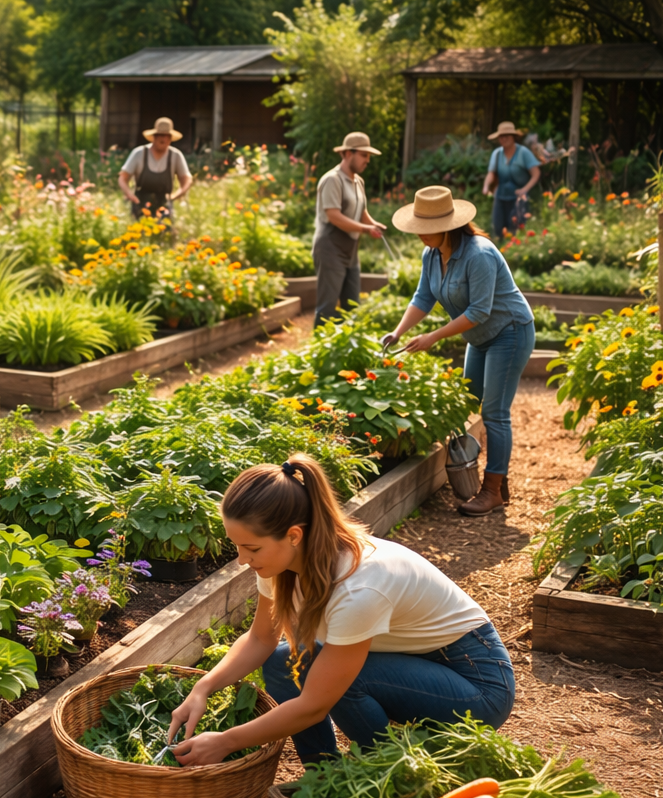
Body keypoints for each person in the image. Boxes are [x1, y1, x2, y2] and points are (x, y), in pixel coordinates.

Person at [168, 456, 515, 767]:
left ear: (293, 535)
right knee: (280, 662)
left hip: (476, 684)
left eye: (251, 548)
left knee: (338, 681)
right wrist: (203, 687)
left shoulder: (358, 586)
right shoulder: (281, 563)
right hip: (410, 663)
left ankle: (383, 773)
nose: (243, 560)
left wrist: (226, 742)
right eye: (237, 546)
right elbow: (261, 639)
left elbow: (315, 704)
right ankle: (323, 774)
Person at [380, 185, 536, 516]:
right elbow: (423, 297)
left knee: (494, 411)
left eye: (427, 228)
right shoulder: (432, 255)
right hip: (479, 338)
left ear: (447, 226)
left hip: (509, 332)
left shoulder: (479, 254)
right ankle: (498, 481)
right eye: (418, 228)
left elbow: (479, 311)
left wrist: (432, 337)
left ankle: (492, 489)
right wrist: (398, 331)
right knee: (466, 402)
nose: (420, 235)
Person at [312, 132, 386, 326]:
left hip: (351, 251)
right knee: (327, 308)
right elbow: (334, 216)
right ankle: (319, 343)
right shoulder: (332, 180)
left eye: (369, 156)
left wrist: (373, 225)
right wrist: (366, 229)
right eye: (364, 155)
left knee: (352, 306)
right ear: (347, 154)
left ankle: (349, 343)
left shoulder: (358, 182)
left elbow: (362, 212)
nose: (367, 160)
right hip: (330, 249)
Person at [118, 117, 194, 221]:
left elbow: (187, 179)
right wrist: (129, 195)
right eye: (160, 135)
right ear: (154, 136)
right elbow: (123, 177)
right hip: (141, 202)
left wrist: (176, 195)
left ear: (170, 139)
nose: (163, 139)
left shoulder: (175, 155)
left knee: (164, 229)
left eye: (167, 136)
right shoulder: (139, 153)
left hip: (164, 203)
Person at [482, 121, 541, 238]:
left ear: (513, 137)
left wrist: (524, 189)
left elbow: (536, 173)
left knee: (516, 230)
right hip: (500, 196)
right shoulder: (497, 154)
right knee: (498, 229)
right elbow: (491, 173)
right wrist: (486, 187)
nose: (504, 139)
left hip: (518, 198)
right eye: (501, 136)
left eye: (507, 136)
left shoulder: (523, 153)